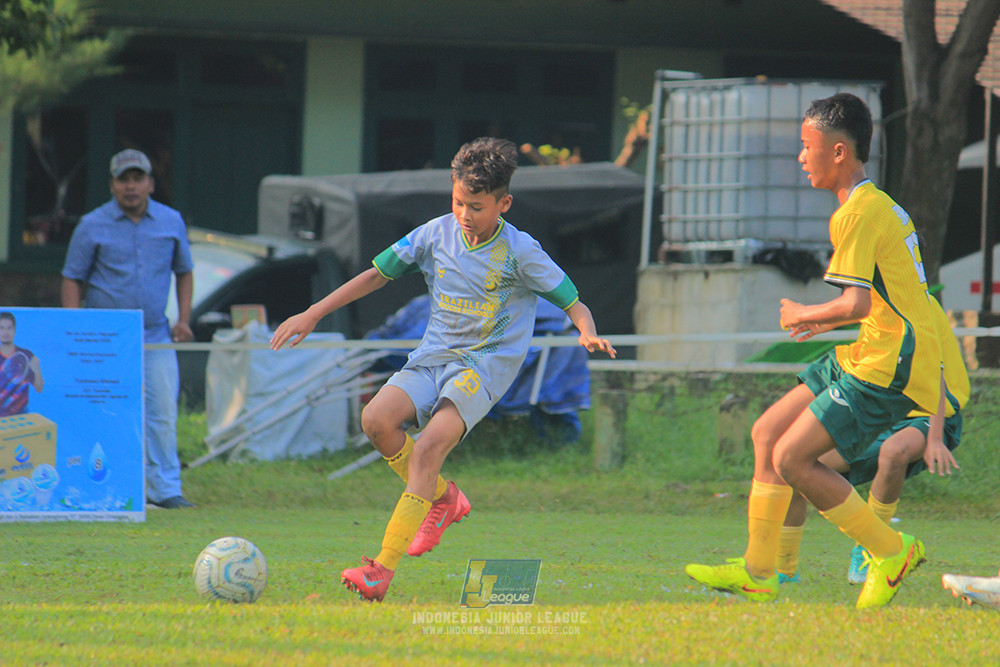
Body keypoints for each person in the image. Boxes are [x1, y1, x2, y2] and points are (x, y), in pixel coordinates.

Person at [270, 137, 616, 602]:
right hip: (434, 356)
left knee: (430, 445)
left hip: (484, 365)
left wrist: (586, 329)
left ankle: (380, 570)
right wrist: (313, 312)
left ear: (504, 203)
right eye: (457, 202)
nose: (464, 215)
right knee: (375, 420)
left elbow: (573, 301)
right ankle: (442, 499)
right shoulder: (433, 234)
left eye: (476, 206)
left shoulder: (522, 251)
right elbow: (376, 274)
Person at [685, 93, 942, 610]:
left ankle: (891, 551)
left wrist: (803, 315)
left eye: (807, 146)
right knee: (766, 433)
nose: (801, 157)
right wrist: (819, 320)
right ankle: (760, 573)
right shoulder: (873, 205)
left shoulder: (857, 215)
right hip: (873, 349)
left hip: (889, 361)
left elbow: (856, 302)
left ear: (840, 151)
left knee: (792, 459)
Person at [774, 297, 968, 585]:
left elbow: (936, 372)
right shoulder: (877, 294)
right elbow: (857, 310)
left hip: (933, 410)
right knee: (793, 465)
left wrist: (936, 438)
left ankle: (871, 552)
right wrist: (821, 323)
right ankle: (784, 569)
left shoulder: (916, 302)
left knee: (894, 451)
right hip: (884, 407)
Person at [61, 148, 196, 510]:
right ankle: (102, 486)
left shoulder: (171, 221)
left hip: (155, 333)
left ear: (151, 184)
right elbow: (73, 278)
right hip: (104, 337)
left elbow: (184, 271)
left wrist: (183, 319)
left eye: (138, 179)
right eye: (124, 179)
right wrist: (73, 328)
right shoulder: (92, 224)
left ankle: (165, 489)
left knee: (162, 412)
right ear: (112, 185)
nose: (131, 186)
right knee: (101, 411)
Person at [0, 311, 44, 417]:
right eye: (1, 328)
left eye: (9, 328)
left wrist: (36, 370)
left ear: (14, 330)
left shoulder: (27, 356)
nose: (5, 332)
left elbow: (39, 388)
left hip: (20, 416)